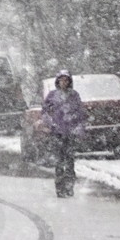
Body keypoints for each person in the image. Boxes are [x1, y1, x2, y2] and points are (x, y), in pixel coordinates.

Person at [41, 70, 87, 198]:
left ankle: (69, 187)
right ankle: (60, 188)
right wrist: (51, 123)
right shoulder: (52, 95)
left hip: (71, 133)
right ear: (57, 81)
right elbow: (44, 112)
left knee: (70, 162)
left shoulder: (74, 95)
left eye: (66, 80)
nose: (64, 83)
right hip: (57, 133)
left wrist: (79, 128)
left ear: (69, 82)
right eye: (61, 80)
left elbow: (80, 114)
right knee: (59, 162)